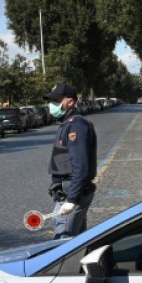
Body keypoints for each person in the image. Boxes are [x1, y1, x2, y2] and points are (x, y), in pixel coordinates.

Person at [43, 82, 97, 239]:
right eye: (51, 101)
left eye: (57, 101)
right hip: (69, 193)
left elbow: (80, 165)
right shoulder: (67, 124)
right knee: (77, 245)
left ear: (70, 102)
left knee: (61, 247)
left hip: (71, 196)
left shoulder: (75, 125)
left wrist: (72, 199)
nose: (52, 105)